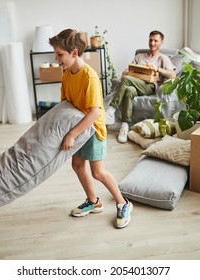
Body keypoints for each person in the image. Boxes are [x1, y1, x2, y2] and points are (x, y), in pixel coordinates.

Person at [49, 29, 133, 229]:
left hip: (92, 130)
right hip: (78, 128)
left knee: (98, 172)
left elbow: (94, 112)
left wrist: (71, 134)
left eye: (60, 54)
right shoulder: (67, 75)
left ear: (74, 53)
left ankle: (123, 203)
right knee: (77, 166)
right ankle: (93, 201)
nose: (57, 59)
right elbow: (66, 105)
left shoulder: (89, 76)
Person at [106, 30, 176, 143]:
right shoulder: (139, 57)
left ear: (161, 42)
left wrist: (157, 69)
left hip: (149, 87)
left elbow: (173, 74)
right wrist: (125, 73)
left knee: (128, 81)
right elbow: (127, 72)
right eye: (150, 40)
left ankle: (111, 110)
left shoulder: (163, 58)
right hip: (134, 83)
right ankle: (124, 126)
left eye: (155, 41)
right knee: (128, 90)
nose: (152, 43)